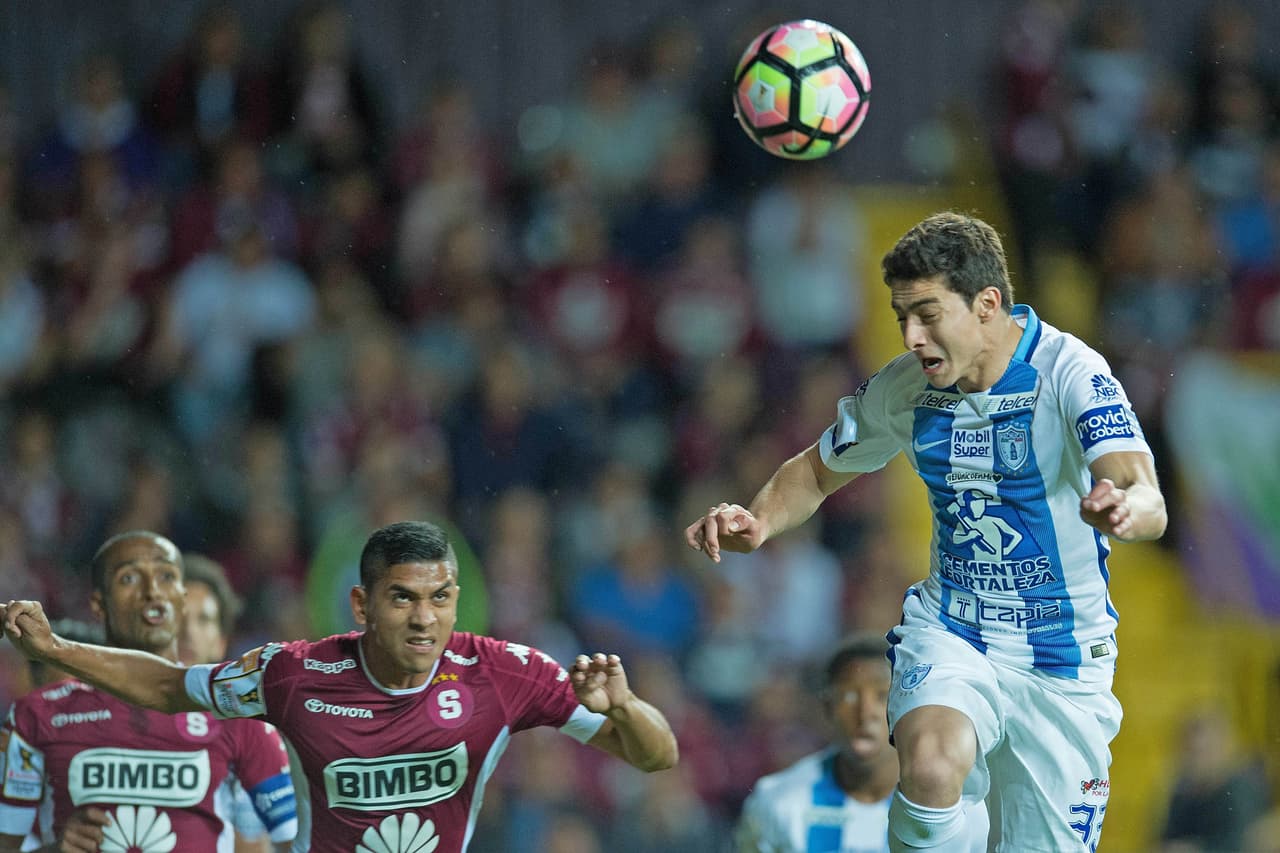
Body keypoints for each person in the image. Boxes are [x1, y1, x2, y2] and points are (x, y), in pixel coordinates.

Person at [687, 212, 1167, 851]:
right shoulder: (905, 389)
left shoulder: (1071, 375)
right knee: (933, 767)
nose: (912, 336)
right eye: (901, 317)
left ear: (987, 304)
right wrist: (760, 519)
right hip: (954, 629)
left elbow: (1143, 488)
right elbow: (815, 469)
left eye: (929, 314)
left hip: (1062, 658)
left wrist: (1127, 509)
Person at [2, 520, 679, 852]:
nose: (425, 618)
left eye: (440, 597)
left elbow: (655, 754)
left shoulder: (506, 672)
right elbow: (169, 685)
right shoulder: (293, 673)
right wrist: (58, 648)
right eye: (403, 598)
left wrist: (624, 703)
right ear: (361, 604)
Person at [0, 531, 298, 852]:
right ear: (99, 605)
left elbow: (298, 844)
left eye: (166, 576)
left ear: (182, 598)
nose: (151, 590)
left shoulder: (235, 713)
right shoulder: (38, 716)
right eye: (129, 578)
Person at [735, 634, 987, 852]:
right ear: (827, 707)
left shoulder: (964, 808)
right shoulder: (779, 802)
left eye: (881, 696)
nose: (866, 713)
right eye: (850, 696)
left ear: (907, 705)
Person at [181, 552, 293, 853]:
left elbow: (278, 840)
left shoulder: (245, 725)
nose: (187, 633)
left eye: (202, 620)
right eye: (178, 617)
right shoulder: (117, 714)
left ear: (221, 641)